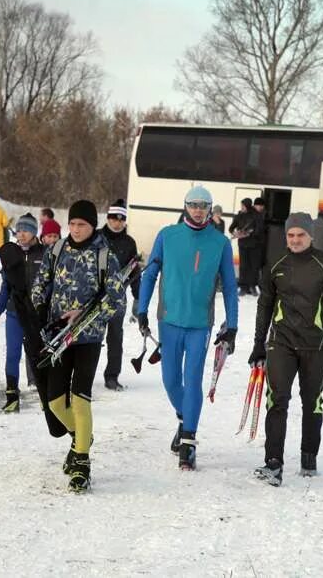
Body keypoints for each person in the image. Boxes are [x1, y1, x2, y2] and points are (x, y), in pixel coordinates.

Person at [136, 186, 239, 470]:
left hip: (199, 325)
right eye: (193, 205)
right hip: (168, 320)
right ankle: (185, 419)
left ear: (210, 209)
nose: (197, 210)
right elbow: (150, 275)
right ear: (185, 206)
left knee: (193, 379)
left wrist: (232, 325)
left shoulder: (220, 243)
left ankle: (189, 442)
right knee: (170, 380)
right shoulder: (167, 236)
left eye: (203, 206)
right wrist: (141, 309)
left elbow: (230, 288)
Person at [248, 212, 323, 485]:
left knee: (312, 402)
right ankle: (273, 463)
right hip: (281, 343)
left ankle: (309, 455)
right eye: (290, 235)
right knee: (277, 399)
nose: (295, 240)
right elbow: (265, 306)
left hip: (315, 345)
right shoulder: (276, 264)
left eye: (300, 235)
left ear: (310, 236)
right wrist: (259, 344)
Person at [30, 200, 127, 492]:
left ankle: (81, 460)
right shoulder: (56, 250)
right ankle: (80, 435)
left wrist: (84, 314)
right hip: (59, 339)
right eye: (72, 224)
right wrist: (39, 309)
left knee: (81, 398)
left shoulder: (104, 256)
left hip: (88, 338)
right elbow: (40, 284)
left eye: (81, 225)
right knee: (56, 401)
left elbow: (117, 299)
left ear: (91, 225)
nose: (76, 229)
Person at [0, 214, 41, 413]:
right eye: (19, 230)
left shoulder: (44, 254)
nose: (21, 234)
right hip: (13, 313)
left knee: (37, 355)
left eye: (26, 230)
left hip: (36, 314)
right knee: (12, 354)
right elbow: (6, 286)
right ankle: (12, 397)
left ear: (34, 233)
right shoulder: (12, 253)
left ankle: (46, 397)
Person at [98, 199, 140, 391]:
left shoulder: (129, 243)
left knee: (115, 338)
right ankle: (83, 374)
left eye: (121, 219)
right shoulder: (96, 238)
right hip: (95, 299)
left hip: (117, 300)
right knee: (91, 339)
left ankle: (112, 376)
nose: (117, 222)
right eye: (114, 218)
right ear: (108, 218)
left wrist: (138, 297)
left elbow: (134, 272)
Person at [229, 197, 264, 296]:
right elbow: (231, 227)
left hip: (254, 245)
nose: (242, 207)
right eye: (241, 205)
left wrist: (249, 233)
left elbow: (259, 229)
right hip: (243, 245)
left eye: (243, 206)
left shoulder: (256, 215)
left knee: (254, 266)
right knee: (243, 266)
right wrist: (235, 232)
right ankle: (243, 286)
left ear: (248, 206)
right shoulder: (239, 215)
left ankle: (252, 286)